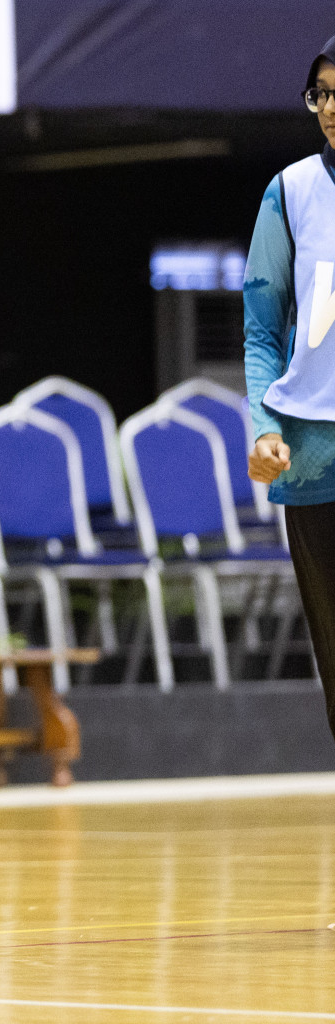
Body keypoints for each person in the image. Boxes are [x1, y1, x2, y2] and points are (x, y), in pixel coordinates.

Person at [246, 35, 335, 737]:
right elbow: (261, 331)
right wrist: (263, 426)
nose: (330, 108)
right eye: (322, 94)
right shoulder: (291, 190)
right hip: (313, 451)